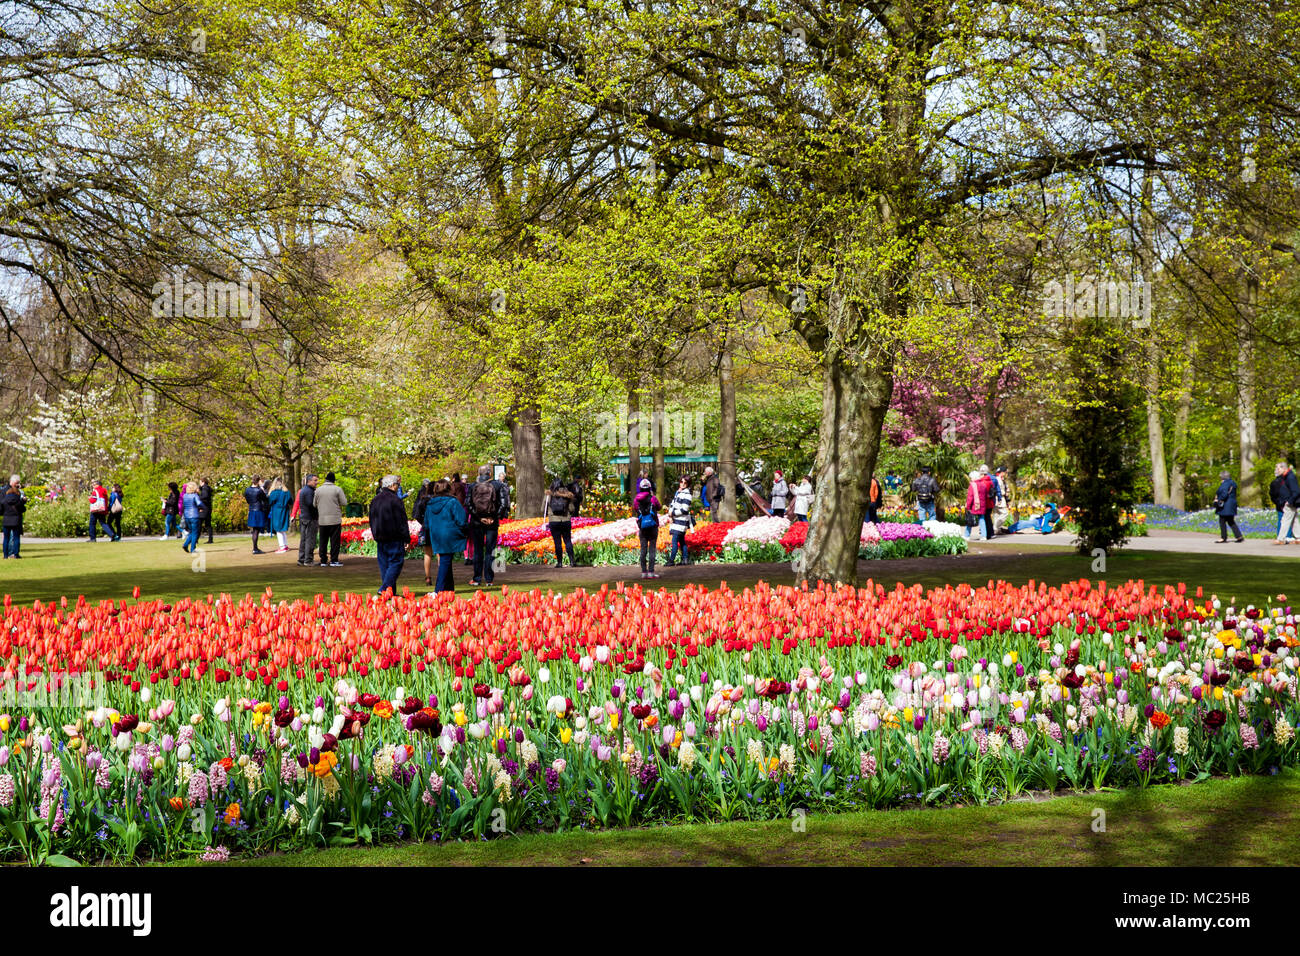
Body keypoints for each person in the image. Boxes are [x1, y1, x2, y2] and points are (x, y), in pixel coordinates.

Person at [466, 465, 509, 586]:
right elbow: (504, 503)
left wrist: (480, 517)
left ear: (479, 473)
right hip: (492, 523)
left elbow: (468, 504)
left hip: (477, 522)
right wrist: (494, 517)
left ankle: (476, 578)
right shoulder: (497, 485)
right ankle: (489, 579)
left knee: (478, 551)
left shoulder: (472, 486)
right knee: (490, 550)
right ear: (490, 474)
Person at [371, 474, 415, 595]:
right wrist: (406, 538)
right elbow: (401, 520)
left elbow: (372, 519)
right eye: (397, 484)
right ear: (392, 485)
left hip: (380, 536)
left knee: (385, 565)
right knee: (396, 562)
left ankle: (390, 592)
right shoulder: (395, 500)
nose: (398, 487)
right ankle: (385, 588)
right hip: (394, 536)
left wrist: (375, 534)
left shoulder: (375, 499)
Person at [313, 471, 348, 566]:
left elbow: (314, 504)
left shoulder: (318, 490)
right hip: (334, 519)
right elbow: (344, 502)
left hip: (322, 520)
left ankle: (323, 560)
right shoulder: (337, 489)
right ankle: (334, 560)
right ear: (333, 480)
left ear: (325, 479)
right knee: (334, 541)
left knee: (323, 541)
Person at [543, 478, 578, 567]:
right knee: (568, 541)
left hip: (554, 521)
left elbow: (543, 508)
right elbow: (572, 509)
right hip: (566, 521)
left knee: (557, 542)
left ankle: (559, 563)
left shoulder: (549, 494)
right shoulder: (568, 494)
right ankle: (572, 561)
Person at [633, 478, 661, 579]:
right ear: (649, 488)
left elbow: (635, 508)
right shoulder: (653, 498)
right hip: (653, 526)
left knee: (643, 549)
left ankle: (643, 572)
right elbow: (659, 507)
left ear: (640, 488)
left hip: (643, 527)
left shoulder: (636, 499)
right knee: (652, 549)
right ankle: (651, 572)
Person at [666, 475, 695, 566]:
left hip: (681, 521)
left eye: (685, 482)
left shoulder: (687, 495)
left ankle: (671, 560)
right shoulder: (679, 493)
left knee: (674, 541)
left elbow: (684, 510)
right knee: (682, 541)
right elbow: (673, 504)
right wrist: (670, 514)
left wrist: (672, 513)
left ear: (688, 484)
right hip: (677, 520)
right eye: (681, 482)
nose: (682, 484)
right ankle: (685, 559)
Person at [1212, 470, 1245, 543]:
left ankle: (1223, 537)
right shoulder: (1232, 483)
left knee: (1222, 521)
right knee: (1231, 521)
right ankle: (1239, 536)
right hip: (1231, 505)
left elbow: (1224, 494)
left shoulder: (1225, 484)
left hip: (1225, 506)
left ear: (1222, 477)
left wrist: (1218, 500)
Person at [1273, 461, 1300, 546]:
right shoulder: (1287, 476)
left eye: (1278, 468)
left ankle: (1281, 539)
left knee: (1285, 520)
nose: (1277, 470)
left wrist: (1289, 501)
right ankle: (1299, 537)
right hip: (1291, 501)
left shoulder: (1290, 477)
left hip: (1291, 502)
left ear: (1283, 468)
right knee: (1294, 520)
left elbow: (1296, 491)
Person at [243, 475, 270, 554]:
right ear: (258, 481)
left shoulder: (247, 490)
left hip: (251, 509)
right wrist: (262, 489)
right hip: (258, 510)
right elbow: (265, 499)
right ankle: (255, 549)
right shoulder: (259, 490)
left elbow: (247, 500)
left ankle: (255, 548)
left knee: (254, 530)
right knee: (256, 530)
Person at [297, 474, 319, 566]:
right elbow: (311, 504)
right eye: (315, 480)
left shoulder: (302, 490)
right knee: (310, 539)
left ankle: (301, 559)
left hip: (303, 517)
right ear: (309, 481)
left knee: (303, 539)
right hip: (310, 518)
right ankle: (308, 560)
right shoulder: (310, 491)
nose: (316, 482)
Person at [267, 477, 293, 552]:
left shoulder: (274, 493)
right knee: (282, 530)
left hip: (277, 512)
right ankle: (285, 545)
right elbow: (291, 502)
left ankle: (282, 547)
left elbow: (270, 502)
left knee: (278, 530)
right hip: (285, 511)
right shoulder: (287, 492)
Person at [2, 475, 25, 559]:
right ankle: (15, 554)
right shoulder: (18, 501)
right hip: (15, 520)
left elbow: (1, 509)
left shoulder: (4, 501)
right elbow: (23, 509)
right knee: (16, 538)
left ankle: (5, 555)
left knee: (6, 539)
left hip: (6, 520)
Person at [963, 470, 988, 541]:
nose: (970, 479)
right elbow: (986, 495)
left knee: (970, 519)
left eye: (971, 478)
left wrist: (968, 506)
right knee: (982, 519)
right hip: (982, 505)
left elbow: (970, 497)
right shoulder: (983, 484)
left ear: (973, 477)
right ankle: (983, 536)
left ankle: (967, 535)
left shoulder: (972, 485)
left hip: (974, 505)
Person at [181, 481, 203, 553]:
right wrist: (202, 508)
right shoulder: (195, 495)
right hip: (194, 515)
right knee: (195, 533)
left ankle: (186, 544)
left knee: (191, 532)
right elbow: (199, 503)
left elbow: (184, 505)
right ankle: (192, 548)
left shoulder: (185, 496)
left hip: (187, 516)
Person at [976, 465, 996, 541]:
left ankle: (987, 534)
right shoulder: (990, 481)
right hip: (990, 502)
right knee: (988, 518)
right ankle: (991, 533)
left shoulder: (982, 482)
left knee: (984, 518)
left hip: (985, 503)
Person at [992, 467, 1010, 535]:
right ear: (1002, 472)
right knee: (1005, 513)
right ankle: (995, 527)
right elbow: (998, 489)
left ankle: (996, 530)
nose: (1006, 474)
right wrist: (1005, 492)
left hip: (996, 499)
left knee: (996, 514)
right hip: (999, 498)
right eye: (1006, 472)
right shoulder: (998, 479)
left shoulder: (999, 478)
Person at [197, 478, 214, 544]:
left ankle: (196, 539)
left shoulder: (205, 488)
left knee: (199, 524)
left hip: (204, 509)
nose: (199, 483)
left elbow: (204, 496)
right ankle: (210, 539)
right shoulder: (207, 488)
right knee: (208, 524)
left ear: (203, 482)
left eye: (200, 482)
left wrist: (198, 498)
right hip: (208, 508)